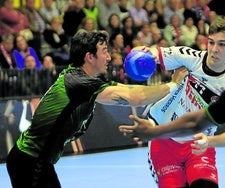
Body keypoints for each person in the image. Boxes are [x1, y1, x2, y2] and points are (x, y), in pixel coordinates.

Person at [5, 30, 185, 188]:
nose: (108, 58)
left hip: (35, 161)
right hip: (29, 161)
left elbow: (129, 90)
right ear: (89, 57)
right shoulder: (79, 83)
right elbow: (136, 98)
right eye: (104, 52)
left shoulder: (85, 79)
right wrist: (173, 84)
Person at [118, 25, 225, 188]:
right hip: (164, 140)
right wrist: (141, 52)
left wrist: (209, 141)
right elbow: (149, 53)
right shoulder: (189, 57)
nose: (214, 49)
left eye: (222, 44)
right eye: (211, 42)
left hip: (199, 145)